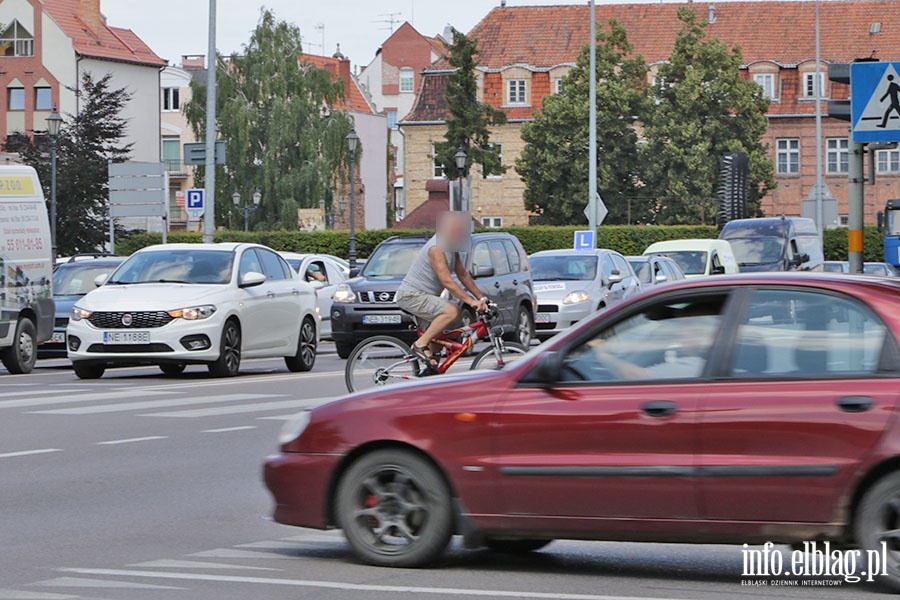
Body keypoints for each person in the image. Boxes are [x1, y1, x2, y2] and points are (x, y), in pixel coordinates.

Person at [396, 212, 489, 372]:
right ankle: (419, 345)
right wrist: (471, 302)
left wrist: (481, 298)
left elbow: (463, 275)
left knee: (436, 349)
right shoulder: (436, 248)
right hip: (411, 296)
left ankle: (429, 380)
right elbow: (447, 281)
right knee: (452, 310)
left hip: (426, 297)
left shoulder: (452, 246)